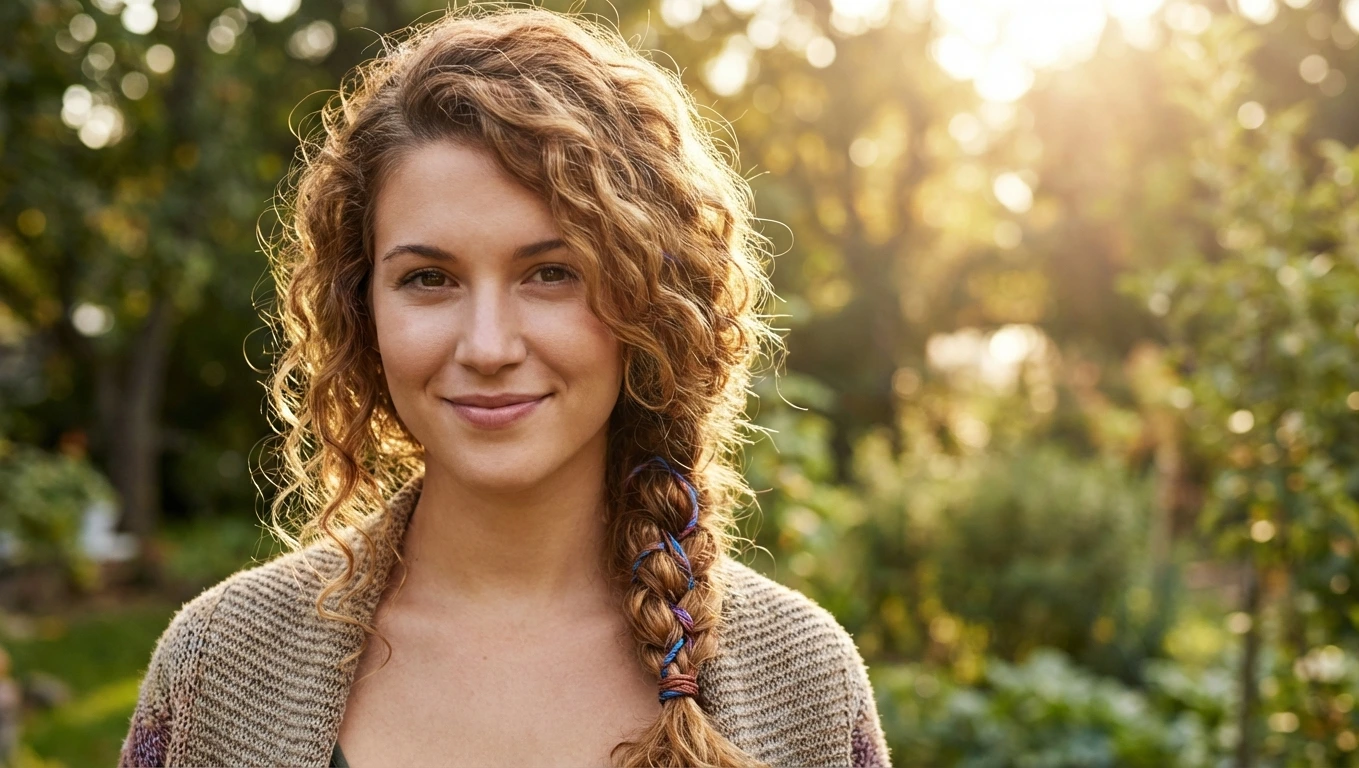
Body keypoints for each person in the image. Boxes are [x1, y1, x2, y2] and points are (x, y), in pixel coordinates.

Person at [118, 6, 891, 767]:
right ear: (362, 311)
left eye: (551, 274)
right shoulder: (217, 667)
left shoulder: (803, 681)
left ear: (649, 298)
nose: (487, 346)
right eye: (428, 278)